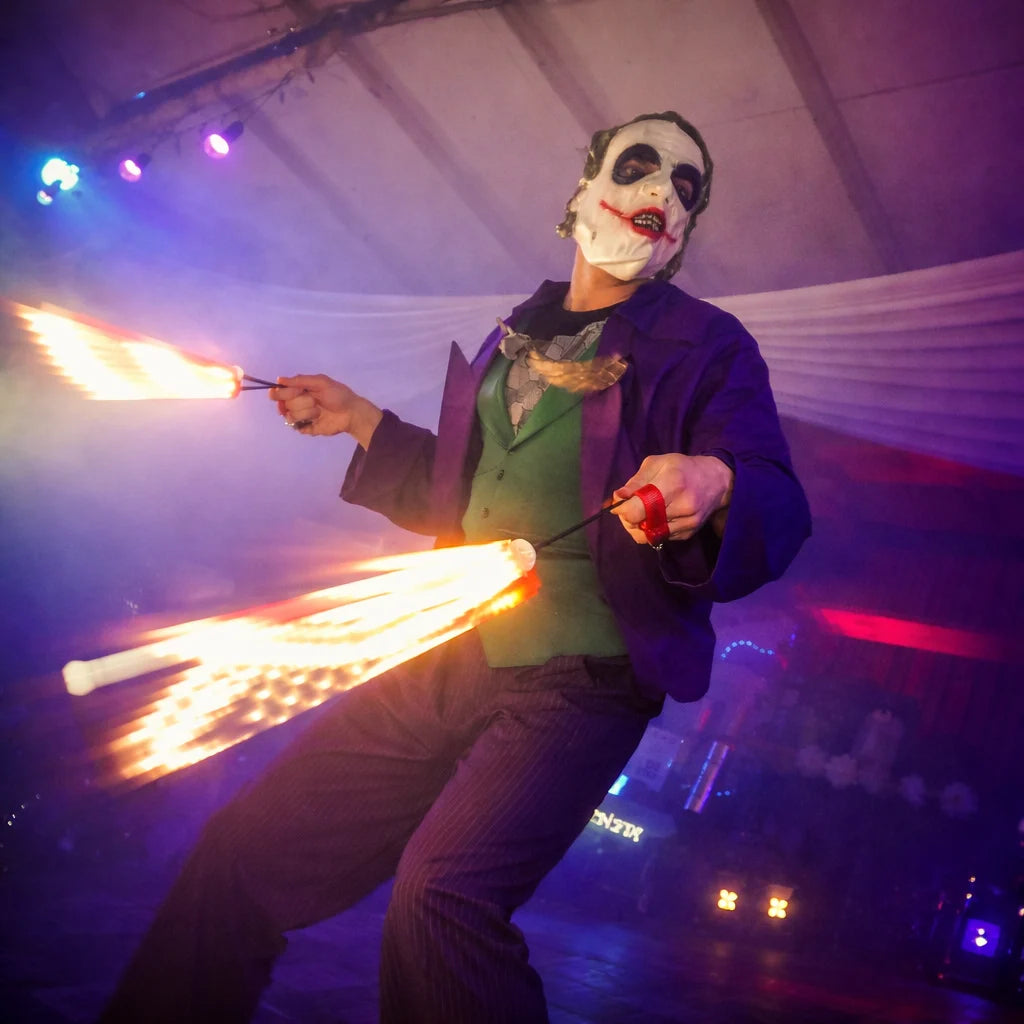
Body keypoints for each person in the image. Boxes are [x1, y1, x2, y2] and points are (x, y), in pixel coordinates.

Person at [99, 110, 810, 1023]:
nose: (664, 192)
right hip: (449, 652)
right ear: (585, 184)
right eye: (642, 165)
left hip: (579, 683)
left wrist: (713, 479)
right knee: (244, 848)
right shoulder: (520, 328)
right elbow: (474, 493)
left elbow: (778, 500)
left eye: (686, 187)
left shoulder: (708, 345)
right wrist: (359, 420)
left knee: (441, 901)